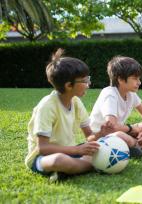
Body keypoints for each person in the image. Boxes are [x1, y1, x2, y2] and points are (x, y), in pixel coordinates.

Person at [25, 48, 115, 181]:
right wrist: (77, 151)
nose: (88, 84)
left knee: (101, 148)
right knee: (58, 160)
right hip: (42, 158)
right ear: (68, 85)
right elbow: (42, 147)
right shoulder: (47, 106)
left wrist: (100, 135)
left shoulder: (76, 102)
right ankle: (93, 166)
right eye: (84, 81)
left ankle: (69, 171)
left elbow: (89, 136)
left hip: (71, 152)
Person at [90, 56, 142, 154]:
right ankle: (138, 144)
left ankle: (139, 143)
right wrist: (132, 128)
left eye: (139, 78)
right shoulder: (110, 94)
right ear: (121, 79)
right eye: (135, 78)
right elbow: (112, 126)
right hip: (102, 137)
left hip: (120, 130)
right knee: (120, 135)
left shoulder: (131, 94)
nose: (139, 82)